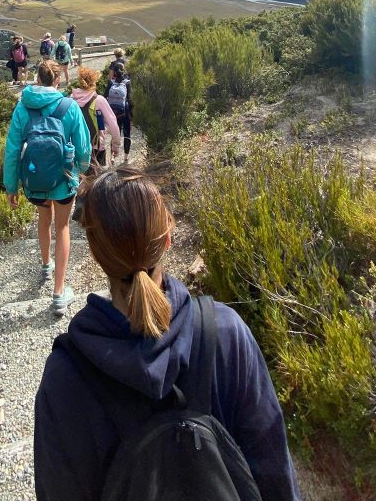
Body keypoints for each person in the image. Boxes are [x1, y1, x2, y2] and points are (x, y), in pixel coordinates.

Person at [34, 167, 301, 501]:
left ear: (97, 255)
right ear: (168, 239)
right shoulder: (227, 335)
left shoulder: (65, 376)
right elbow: (274, 474)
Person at [3, 60, 91, 315]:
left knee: (44, 218)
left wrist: (11, 186)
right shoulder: (69, 107)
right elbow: (84, 149)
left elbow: (11, 150)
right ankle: (58, 292)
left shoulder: (22, 108)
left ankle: (45, 264)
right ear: (57, 81)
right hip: (63, 180)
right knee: (62, 226)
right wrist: (80, 171)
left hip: (34, 181)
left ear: (37, 80)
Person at [72, 66, 120, 166]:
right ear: (94, 82)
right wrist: (115, 147)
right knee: (96, 179)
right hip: (97, 148)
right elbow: (113, 125)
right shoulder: (99, 100)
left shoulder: (71, 100)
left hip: (77, 148)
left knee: (81, 179)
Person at [105, 64, 132, 160]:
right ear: (123, 71)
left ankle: (113, 156)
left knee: (115, 133)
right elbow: (130, 99)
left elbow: (105, 97)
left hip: (114, 113)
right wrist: (131, 115)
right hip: (125, 111)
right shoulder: (127, 83)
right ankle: (126, 157)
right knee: (127, 133)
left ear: (114, 72)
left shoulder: (111, 83)